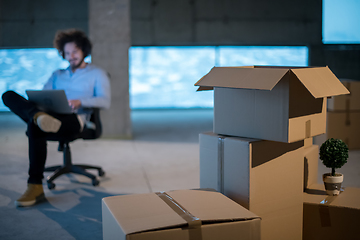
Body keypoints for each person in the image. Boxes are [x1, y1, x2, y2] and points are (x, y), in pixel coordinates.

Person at [1, 29, 111, 207]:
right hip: (50, 115)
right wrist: (38, 103)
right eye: (66, 53)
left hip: (74, 119)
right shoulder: (57, 74)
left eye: (74, 52)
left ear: (84, 50)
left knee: (34, 125)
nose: (70, 56)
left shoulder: (97, 73)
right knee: (8, 96)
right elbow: (42, 95)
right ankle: (37, 116)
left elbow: (105, 101)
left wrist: (80, 101)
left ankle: (35, 187)